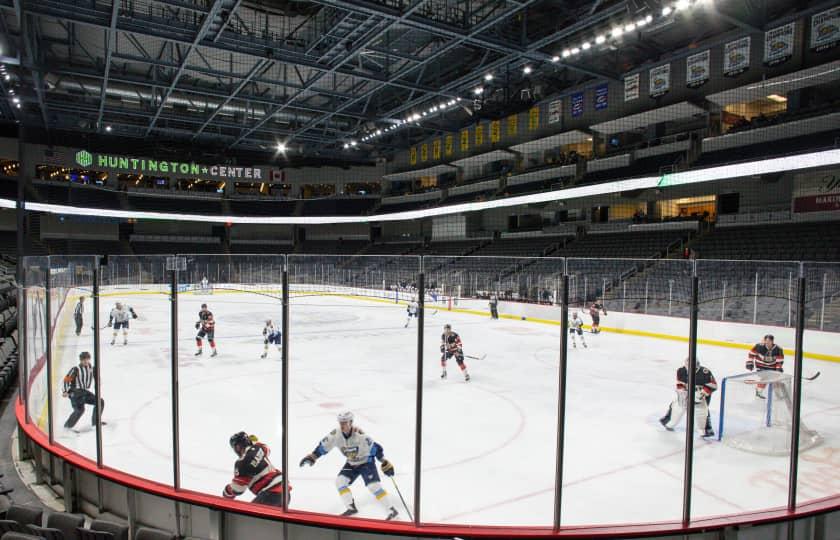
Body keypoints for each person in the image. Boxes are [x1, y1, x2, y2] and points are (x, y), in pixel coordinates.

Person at [299, 412, 399, 520]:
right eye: (340, 423)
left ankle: (391, 510)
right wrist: (313, 457)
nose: (342, 425)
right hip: (351, 463)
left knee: (373, 486)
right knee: (340, 482)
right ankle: (351, 508)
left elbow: (376, 448)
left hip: (366, 462)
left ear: (351, 422)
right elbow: (323, 446)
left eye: (345, 422)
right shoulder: (335, 435)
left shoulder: (360, 435)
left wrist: (384, 461)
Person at [223, 432, 289, 507]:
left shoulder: (242, 462)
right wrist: (254, 442)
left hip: (271, 493)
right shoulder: (259, 448)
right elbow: (267, 449)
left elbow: (238, 489)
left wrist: (227, 491)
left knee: (248, 513)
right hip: (285, 493)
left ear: (238, 447)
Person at [660, 358, 716, 437]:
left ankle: (706, 430)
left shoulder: (705, 372)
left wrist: (702, 394)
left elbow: (713, 385)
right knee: (677, 406)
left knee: (702, 411)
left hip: (701, 395)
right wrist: (682, 392)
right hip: (687, 393)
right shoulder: (681, 371)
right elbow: (680, 384)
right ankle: (668, 421)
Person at [62, 351, 105, 430]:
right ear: (80, 360)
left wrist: (98, 384)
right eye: (83, 359)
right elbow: (66, 380)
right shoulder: (76, 369)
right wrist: (65, 391)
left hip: (84, 392)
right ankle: (67, 427)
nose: (85, 361)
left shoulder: (92, 368)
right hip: (75, 392)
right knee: (80, 410)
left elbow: (97, 379)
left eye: (87, 359)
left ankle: (95, 422)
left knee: (100, 402)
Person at [747, 334, 784, 399]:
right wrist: (750, 362)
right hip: (761, 366)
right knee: (765, 377)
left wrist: (778, 368)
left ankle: (778, 394)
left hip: (772, 368)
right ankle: (758, 392)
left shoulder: (778, 349)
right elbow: (751, 354)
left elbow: (779, 360)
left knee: (776, 379)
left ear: (772, 341)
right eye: (766, 340)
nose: (767, 342)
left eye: (769, 341)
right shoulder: (759, 346)